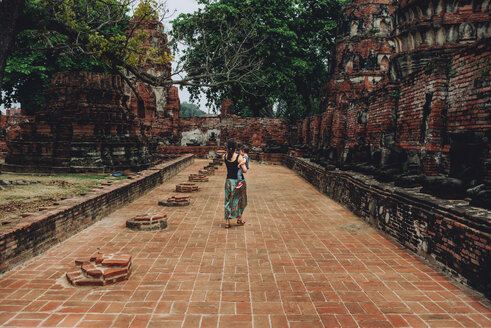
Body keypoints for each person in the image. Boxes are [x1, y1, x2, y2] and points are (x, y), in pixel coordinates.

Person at [223, 139, 248, 228]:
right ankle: (239, 218)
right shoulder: (239, 157)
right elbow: (244, 170)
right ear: (236, 147)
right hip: (238, 182)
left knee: (228, 200)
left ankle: (227, 222)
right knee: (240, 200)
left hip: (228, 181)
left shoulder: (224, 156)